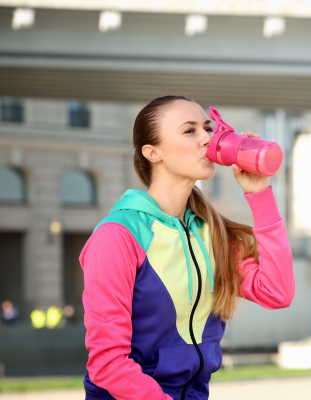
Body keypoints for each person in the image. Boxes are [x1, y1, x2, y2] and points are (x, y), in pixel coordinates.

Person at [79, 95, 295, 400]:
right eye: (189, 131)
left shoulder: (212, 233)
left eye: (208, 128)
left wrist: (259, 194)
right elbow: (107, 363)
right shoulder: (118, 236)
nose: (207, 138)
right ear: (153, 152)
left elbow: (277, 292)